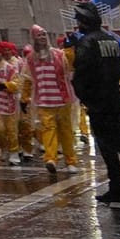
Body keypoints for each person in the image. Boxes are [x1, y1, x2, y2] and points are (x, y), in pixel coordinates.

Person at [71, 2, 120, 205]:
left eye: (79, 20)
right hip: (113, 98)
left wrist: (86, 97)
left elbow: (81, 75)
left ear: (85, 21)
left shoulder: (86, 43)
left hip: (98, 102)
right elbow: (118, 70)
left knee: (108, 148)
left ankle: (117, 188)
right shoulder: (111, 41)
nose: (77, 24)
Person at [24, 24, 78, 176]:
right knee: (48, 130)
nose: (41, 38)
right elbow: (27, 79)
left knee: (66, 131)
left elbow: (71, 66)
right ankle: (51, 159)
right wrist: (24, 98)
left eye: (43, 35)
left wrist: (70, 49)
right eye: (38, 35)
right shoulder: (30, 58)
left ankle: (70, 161)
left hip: (62, 99)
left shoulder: (58, 54)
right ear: (34, 38)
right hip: (44, 101)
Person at [0, 42, 25, 165]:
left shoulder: (10, 68)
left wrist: (6, 85)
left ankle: (14, 151)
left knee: (11, 130)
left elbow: (17, 84)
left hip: (8, 104)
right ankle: (3, 147)